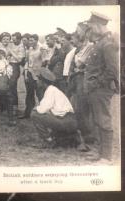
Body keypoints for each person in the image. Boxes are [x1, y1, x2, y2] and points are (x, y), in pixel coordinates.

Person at [83, 12, 119, 162]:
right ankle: (100, 153)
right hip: (95, 89)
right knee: (98, 120)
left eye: (91, 27)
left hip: (101, 90)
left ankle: (107, 157)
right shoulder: (100, 43)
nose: (90, 30)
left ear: (98, 26)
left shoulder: (108, 44)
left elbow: (112, 71)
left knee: (103, 120)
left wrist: (96, 83)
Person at [31, 68, 86, 149]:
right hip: (69, 120)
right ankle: (72, 136)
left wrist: (36, 108)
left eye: (38, 79)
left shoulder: (50, 91)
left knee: (34, 114)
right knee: (45, 115)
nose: (37, 81)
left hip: (66, 121)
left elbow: (42, 109)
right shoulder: (53, 90)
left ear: (43, 82)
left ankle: (48, 141)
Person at [19, 34, 43, 119]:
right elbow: (27, 63)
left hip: (38, 75)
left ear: (37, 40)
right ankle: (28, 113)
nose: (30, 42)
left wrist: (41, 75)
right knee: (29, 94)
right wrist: (25, 74)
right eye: (29, 40)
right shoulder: (29, 50)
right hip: (29, 74)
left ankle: (43, 114)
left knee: (40, 94)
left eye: (32, 40)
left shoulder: (42, 49)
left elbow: (45, 63)